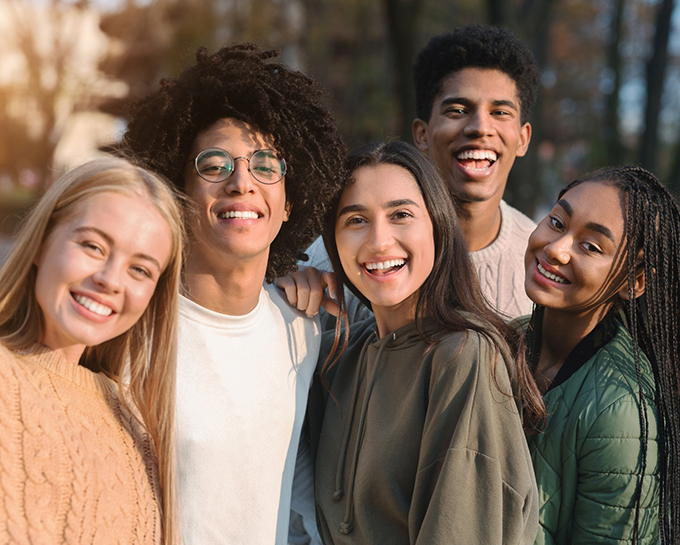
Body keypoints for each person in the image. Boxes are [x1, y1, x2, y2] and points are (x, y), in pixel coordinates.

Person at [123, 43, 346, 544]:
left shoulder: (305, 328)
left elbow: (292, 475)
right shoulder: (134, 330)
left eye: (265, 165)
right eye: (213, 164)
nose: (241, 181)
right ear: (178, 193)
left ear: (290, 201)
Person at [307, 141, 545, 544]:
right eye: (356, 220)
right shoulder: (337, 355)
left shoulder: (465, 355)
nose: (379, 241)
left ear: (437, 225)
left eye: (400, 215)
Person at [0, 157, 184, 544]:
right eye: (93, 246)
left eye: (140, 270)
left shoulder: (137, 424)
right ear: (41, 241)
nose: (109, 280)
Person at [300, 25, 539, 323]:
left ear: (523, 138)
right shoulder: (342, 253)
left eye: (500, 112)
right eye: (458, 110)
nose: (480, 127)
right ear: (422, 134)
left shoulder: (539, 262)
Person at [522, 166, 680, 544]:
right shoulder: (498, 343)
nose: (556, 249)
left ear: (635, 281)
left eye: (591, 246)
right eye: (557, 222)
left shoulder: (622, 412)